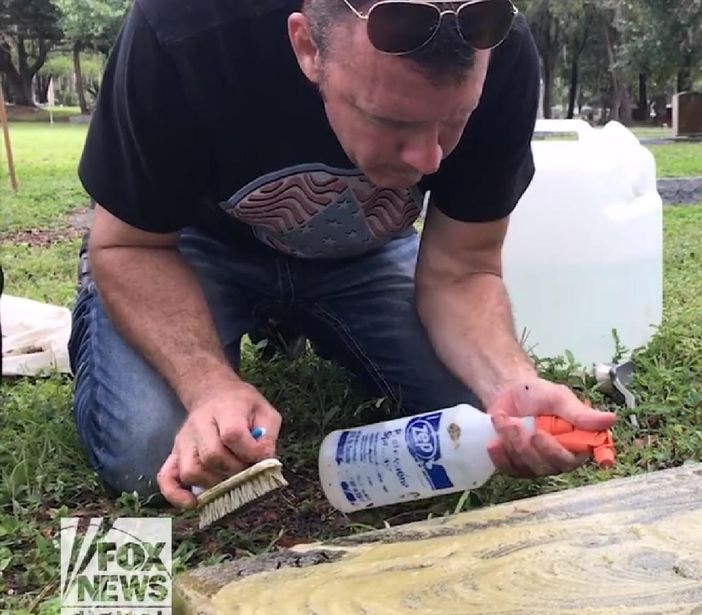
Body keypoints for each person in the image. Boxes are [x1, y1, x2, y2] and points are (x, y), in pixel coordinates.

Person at [68, 0, 618, 509]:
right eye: (392, 121)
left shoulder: (500, 49)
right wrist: (207, 385)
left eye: (454, 120)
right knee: (154, 453)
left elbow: (462, 268)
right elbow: (129, 243)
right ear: (307, 47)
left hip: (365, 252)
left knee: (480, 423)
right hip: (188, 250)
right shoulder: (185, 23)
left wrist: (507, 380)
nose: (428, 159)